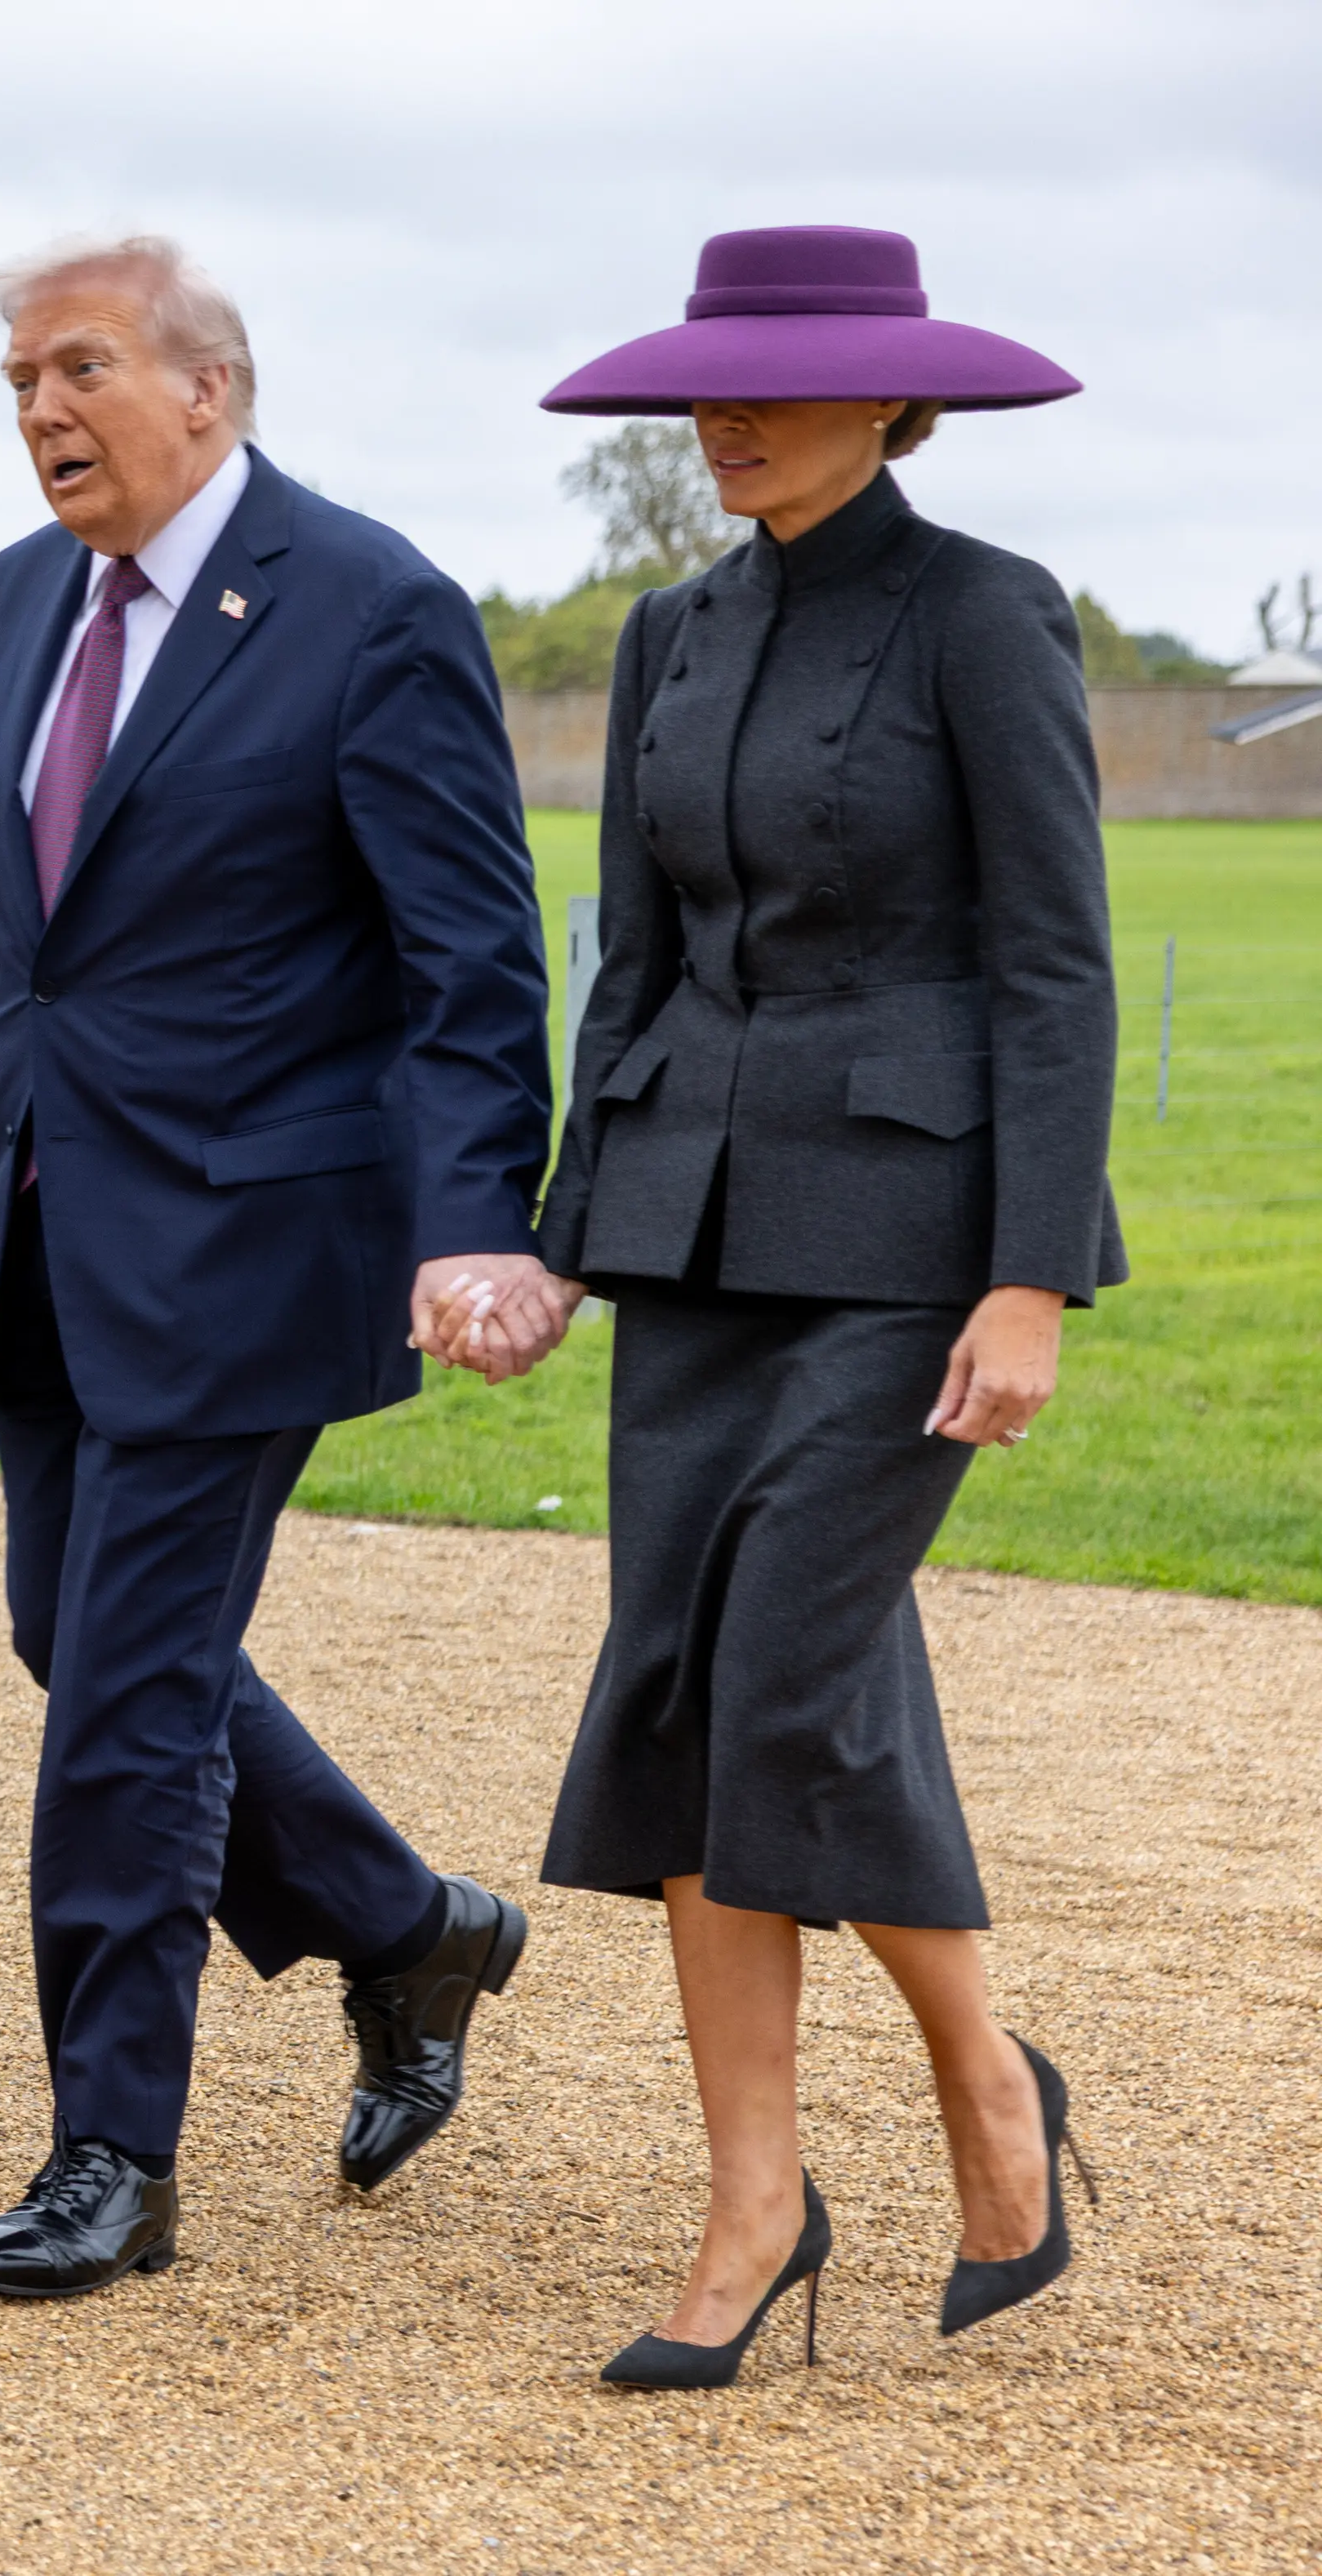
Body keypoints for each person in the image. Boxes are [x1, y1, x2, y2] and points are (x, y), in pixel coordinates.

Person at [523, 225, 1117, 2387]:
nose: (729, 420)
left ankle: (982, 2085)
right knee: (690, 1687)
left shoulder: (984, 617)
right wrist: (567, 1235)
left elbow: (1055, 964)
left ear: (895, 396)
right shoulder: (676, 634)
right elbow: (637, 971)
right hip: (690, 1239)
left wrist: (1033, 1272)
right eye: (707, 387)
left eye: (775, 385)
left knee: (782, 1676)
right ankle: (758, 2200)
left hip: (910, 1250)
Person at [0, 237, 555, 2299]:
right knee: (70, 1626)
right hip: (45, 1225)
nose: (37, 409)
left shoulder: (367, 607)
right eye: (18, 376)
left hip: (255, 1232)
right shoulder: (21, 597)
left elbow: (472, 960)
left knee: (125, 1695)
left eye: (78, 368)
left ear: (210, 387)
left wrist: (475, 1217)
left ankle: (112, 2150)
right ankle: (404, 1925)